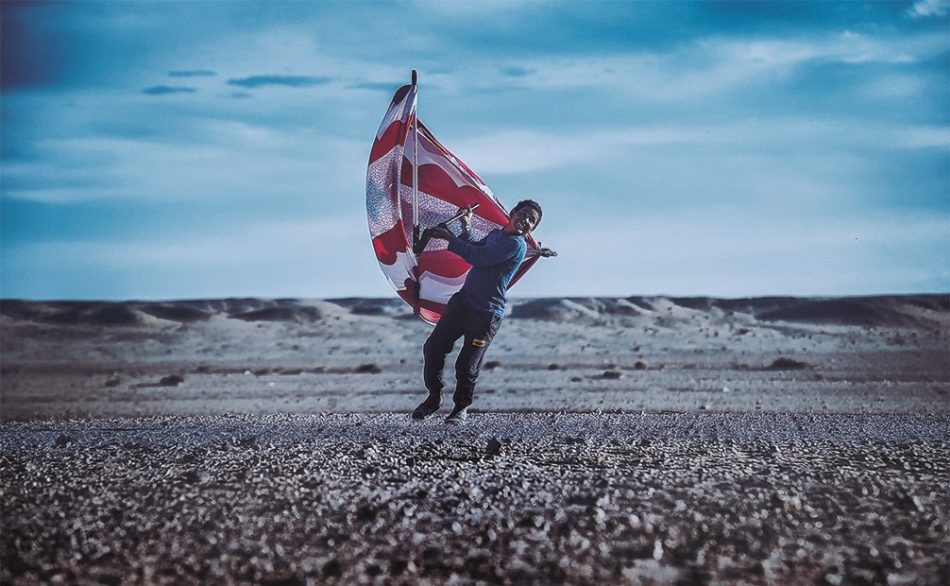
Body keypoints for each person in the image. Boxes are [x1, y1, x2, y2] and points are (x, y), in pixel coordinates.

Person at [412, 199, 543, 424]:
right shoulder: (496, 235)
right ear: (512, 213)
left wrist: (448, 238)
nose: (526, 220)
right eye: (523, 214)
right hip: (462, 303)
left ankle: (461, 408)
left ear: (532, 228)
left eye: (532, 220)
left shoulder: (515, 245)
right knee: (433, 348)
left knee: (466, 364)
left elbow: (478, 257)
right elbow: (475, 246)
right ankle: (434, 397)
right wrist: (465, 226)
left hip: (486, 313)